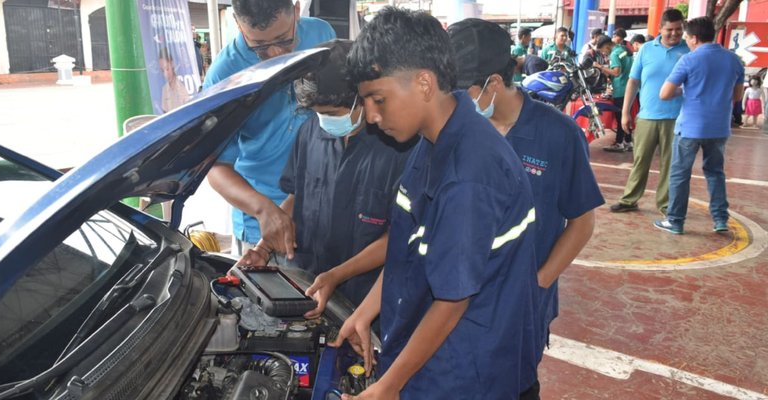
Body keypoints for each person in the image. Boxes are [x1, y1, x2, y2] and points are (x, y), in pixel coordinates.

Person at [331, 7, 540, 400]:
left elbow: (452, 299)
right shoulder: (432, 140)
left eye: (378, 99)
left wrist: (387, 388)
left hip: (466, 372)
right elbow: (409, 249)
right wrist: (364, 312)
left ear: (424, 83)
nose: (372, 116)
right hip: (429, 354)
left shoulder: (469, 173)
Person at [448, 19, 604, 397]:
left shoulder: (558, 134)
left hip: (521, 305)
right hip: (453, 299)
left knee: (512, 385)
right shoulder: (455, 128)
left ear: (494, 84)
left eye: (460, 89)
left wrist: (538, 283)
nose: (450, 99)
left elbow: (581, 221)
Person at [235, 40, 414, 317]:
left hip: (367, 301)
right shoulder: (310, 133)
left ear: (360, 97)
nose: (324, 122)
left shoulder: (397, 145)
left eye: (330, 114)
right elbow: (297, 195)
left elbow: (399, 235)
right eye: (317, 114)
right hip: (308, 285)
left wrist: (337, 275)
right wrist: (264, 247)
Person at [203, 0, 335, 258]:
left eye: (285, 39)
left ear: (296, 11)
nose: (276, 53)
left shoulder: (322, 36)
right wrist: (264, 210)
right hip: (264, 226)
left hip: (323, 202)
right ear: (238, 23)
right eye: (260, 46)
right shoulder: (223, 76)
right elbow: (217, 168)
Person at [654, 17, 744, 234]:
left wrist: (684, 89)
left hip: (689, 128)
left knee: (680, 174)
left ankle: (675, 221)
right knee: (715, 172)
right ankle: (720, 219)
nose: (684, 39)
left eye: (686, 35)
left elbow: (664, 94)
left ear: (694, 38)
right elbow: (737, 96)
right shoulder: (734, 60)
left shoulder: (688, 60)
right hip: (719, 127)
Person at [610, 9, 689, 216]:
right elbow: (633, 81)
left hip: (678, 119)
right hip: (646, 116)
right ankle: (630, 199)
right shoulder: (646, 50)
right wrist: (625, 112)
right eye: (669, 30)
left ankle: (665, 205)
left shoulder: (689, 50)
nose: (674, 34)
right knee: (640, 161)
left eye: (678, 29)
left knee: (670, 165)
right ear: (660, 28)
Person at [604, 29, 635, 152]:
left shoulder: (614, 54)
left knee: (620, 117)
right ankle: (628, 141)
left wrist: (602, 67)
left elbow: (616, 72)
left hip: (621, 89)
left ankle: (619, 143)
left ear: (606, 47)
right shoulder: (624, 50)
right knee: (626, 115)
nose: (604, 54)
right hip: (629, 87)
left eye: (603, 51)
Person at [158, 47, 190, 113]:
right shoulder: (165, 90)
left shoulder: (184, 84)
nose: (165, 74)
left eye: (167, 69)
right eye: (162, 70)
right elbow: (165, 113)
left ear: (172, 63)